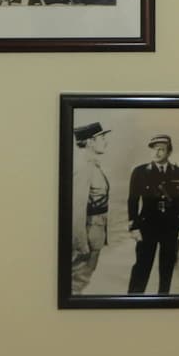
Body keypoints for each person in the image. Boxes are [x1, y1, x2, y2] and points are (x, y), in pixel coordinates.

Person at [126, 134, 179, 295]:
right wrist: (134, 227)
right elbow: (133, 201)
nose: (157, 152)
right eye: (154, 149)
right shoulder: (140, 172)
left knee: (167, 265)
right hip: (147, 225)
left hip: (171, 226)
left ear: (169, 152)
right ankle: (134, 299)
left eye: (162, 149)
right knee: (142, 265)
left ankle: (163, 298)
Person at [71, 121, 112, 295]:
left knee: (78, 281)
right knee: (78, 282)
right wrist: (80, 244)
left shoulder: (89, 164)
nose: (106, 142)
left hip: (93, 231)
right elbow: (76, 208)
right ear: (90, 142)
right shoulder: (84, 167)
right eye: (102, 138)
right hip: (87, 235)